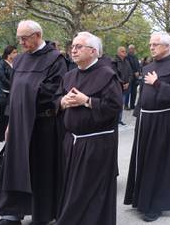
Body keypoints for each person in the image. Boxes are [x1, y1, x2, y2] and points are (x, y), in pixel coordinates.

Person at [0, 20, 67, 225]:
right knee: (15, 168)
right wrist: (9, 122)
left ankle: (41, 214)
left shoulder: (56, 59)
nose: (21, 42)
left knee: (39, 170)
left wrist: (27, 93)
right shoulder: (20, 60)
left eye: (24, 38)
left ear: (37, 35)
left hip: (42, 125)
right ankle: (12, 214)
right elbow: (15, 92)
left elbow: (53, 91)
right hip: (18, 124)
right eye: (19, 38)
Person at [55, 32, 122, 225]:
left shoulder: (107, 75)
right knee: (71, 190)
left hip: (96, 144)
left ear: (93, 51)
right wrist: (62, 102)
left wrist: (88, 101)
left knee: (88, 193)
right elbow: (56, 100)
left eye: (78, 46)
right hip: (72, 142)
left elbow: (114, 107)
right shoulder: (69, 76)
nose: (73, 50)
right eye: (72, 47)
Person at [124, 32, 170, 222]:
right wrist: (138, 113)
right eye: (150, 44)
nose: (151, 47)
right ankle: (140, 199)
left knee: (157, 160)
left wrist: (158, 83)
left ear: (167, 46)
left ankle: (156, 204)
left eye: (155, 44)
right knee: (142, 158)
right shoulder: (148, 66)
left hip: (163, 120)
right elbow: (143, 92)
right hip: (145, 119)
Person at [0, 45, 17, 142]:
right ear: (9, 54)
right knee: (3, 115)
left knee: (10, 115)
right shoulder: (1, 64)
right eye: (14, 52)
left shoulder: (15, 63)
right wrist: (13, 85)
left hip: (12, 93)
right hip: (3, 93)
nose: (16, 54)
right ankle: (1, 136)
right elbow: (2, 77)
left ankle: (9, 135)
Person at [112, 46, 133, 126]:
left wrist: (128, 83)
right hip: (117, 87)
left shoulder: (127, 62)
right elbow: (114, 74)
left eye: (125, 51)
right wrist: (122, 83)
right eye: (122, 51)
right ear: (118, 52)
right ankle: (114, 119)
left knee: (122, 103)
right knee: (116, 104)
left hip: (126, 87)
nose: (125, 53)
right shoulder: (114, 62)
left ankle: (119, 119)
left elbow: (131, 73)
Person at [125, 44, 140, 110]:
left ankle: (132, 105)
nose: (132, 50)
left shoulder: (135, 57)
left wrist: (139, 72)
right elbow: (128, 67)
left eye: (133, 48)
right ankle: (126, 105)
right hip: (129, 77)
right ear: (129, 49)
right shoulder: (126, 57)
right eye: (131, 48)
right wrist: (134, 72)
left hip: (135, 78)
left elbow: (138, 66)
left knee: (134, 92)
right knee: (128, 92)